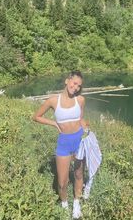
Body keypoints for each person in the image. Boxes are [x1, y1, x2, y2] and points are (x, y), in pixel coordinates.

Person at [33, 71, 88, 219]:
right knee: (62, 182)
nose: (76, 87)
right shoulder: (53, 101)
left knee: (78, 174)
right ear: (66, 81)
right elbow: (36, 117)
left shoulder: (81, 100)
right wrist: (53, 123)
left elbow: (81, 119)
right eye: (74, 83)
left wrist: (87, 128)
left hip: (79, 140)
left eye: (79, 86)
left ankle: (76, 203)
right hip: (64, 142)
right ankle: (64, 204)